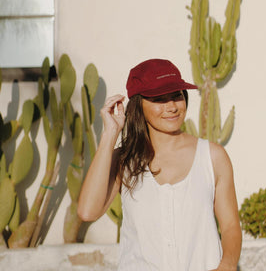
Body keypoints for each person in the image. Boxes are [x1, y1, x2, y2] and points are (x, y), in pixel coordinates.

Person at [78, 58, 242, 271]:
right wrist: (110, 133)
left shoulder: (212, 157)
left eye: (176, 96)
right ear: (139, 106)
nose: (172, 107)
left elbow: (230, 226)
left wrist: (227, 266)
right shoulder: (123, 161)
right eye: (159, 99)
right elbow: (87, 212)